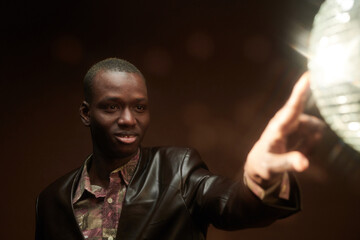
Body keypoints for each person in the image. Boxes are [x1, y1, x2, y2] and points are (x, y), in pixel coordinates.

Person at [35, 58, 323, 240]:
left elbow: (231, 204)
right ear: (86, 114)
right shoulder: (52, 200)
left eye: (139, 107)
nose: (128, 119)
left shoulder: (177, 168)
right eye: (111, 107)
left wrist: (263, 181)